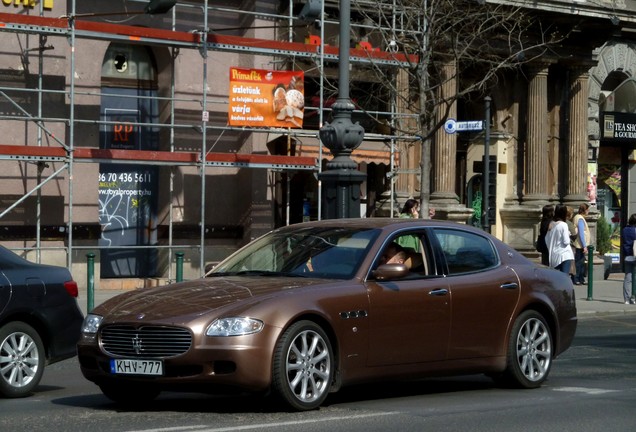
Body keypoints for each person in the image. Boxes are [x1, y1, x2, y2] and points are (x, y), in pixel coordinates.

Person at [545, 204, 574, 274]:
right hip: (564, 255)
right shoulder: (563, 225)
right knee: (564, 278)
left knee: (556, 278)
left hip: (554, 256)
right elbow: (566, 241)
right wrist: (568, 234)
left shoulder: (551, 225)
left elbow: (546, 239)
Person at [572, 203, 591, 285]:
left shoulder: (578, 217)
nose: (588, 211)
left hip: (579, 244)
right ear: (585, 210)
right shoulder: (580, 219)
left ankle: (580, 278)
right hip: (580, 244)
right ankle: (577, 278)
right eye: (587, 209)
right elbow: (581, 233)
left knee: (581, 262)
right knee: (579, 262)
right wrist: (584, 246)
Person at [621, 213, 636, 305]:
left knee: (628, 277)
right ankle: (633, 298)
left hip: (627, 256)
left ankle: (627, 299)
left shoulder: (625, 230)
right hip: (635, 255)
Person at [565, 206, 578, 284]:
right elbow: (574, 235)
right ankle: (572, 279)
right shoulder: (569, 224)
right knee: (570, 264)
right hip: (569, 246)